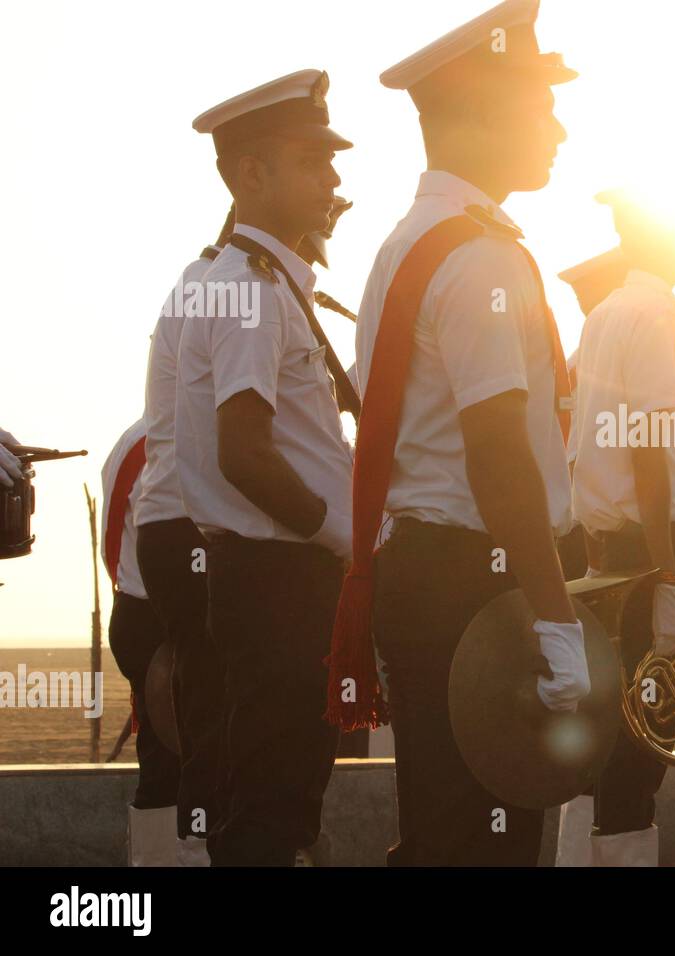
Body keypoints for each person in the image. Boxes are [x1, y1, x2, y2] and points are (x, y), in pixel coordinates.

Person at [330, 0, 587, 866]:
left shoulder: (408, 245)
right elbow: (500, 457)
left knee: (445, 834)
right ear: (480, 109)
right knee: (485, 845)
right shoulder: (479, 259)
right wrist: (556, 624)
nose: (556, 125)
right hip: (478, 580)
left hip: (431, 573)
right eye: (539, 102)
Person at [176, 68, 356, 866]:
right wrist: (344, 539)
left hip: (275, 574)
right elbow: (245, 454)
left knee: (279, 799)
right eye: (313, 163)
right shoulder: (249, 291)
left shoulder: (260, 282)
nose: (334, 180)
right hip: (281, 574)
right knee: (272, 809)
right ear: (253, 175)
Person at [558, 188, 675, 866]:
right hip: (652, 548)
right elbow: (648, 450)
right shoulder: (654, 315)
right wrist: (667, 572)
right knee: (647, 736)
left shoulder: (607, 315)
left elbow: (587, 450)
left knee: (611, 735)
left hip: (610, 545)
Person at [135, 215, 230, 866]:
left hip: (159, 568)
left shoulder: (203, 287)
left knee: (188, 742)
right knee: (209, 735)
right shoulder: (230, 293)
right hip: (188, 553)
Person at [102, 418, 180, 866]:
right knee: (164, 759)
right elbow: (115, 542)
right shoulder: (141, 442)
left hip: (159, 613)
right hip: (149, 616)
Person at [555, 247, 629, 580]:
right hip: (597, 532)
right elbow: (578, 458)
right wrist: (595, 562)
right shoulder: (594, 365)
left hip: (584, 526)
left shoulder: (575, 364)